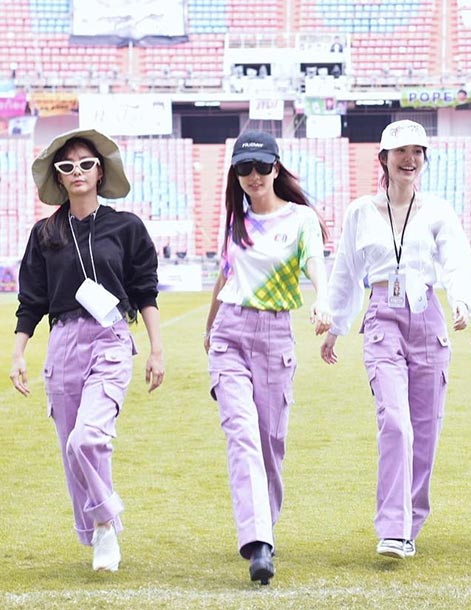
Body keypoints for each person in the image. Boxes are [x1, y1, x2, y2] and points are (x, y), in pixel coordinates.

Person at [320, 120, 471, 560]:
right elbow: (346, 272)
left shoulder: (437, 210)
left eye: (417, 152)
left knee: (425, 431)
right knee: (395, 422)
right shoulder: (360, 212)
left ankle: (411, 523)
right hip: (382, 320)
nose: (409, 159)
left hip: (427, 317)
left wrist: (462, 301)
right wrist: (336, 326)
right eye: (400, 152)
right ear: (384, 159)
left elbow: (457, 260)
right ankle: (392, 528)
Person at [10, 128, 164, 572]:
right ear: (58, 178)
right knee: (70, 447)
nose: (77, 171)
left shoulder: (126, 227)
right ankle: (100, 528)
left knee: (87, 438)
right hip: (63, 343)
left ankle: (104, 520)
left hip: (111, 337)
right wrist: (19, 354)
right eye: (67, 166)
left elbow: (145, 290)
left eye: (85, 164)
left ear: (100, 172)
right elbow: (32, 300)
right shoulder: (45, 233)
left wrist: (156, 349)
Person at [204, 130, 331, 585]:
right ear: (235, 174)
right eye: (244, 168)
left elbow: (314, 261)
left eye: (261, 166)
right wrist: (209, 328)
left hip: (275, 336)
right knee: (242, 436)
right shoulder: (235, 222)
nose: (253, 175)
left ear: (276, 168)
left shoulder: (300, 218)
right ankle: (258, 542)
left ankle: (264, 527)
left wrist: (321, 299)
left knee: (270, 443)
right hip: (230, 335)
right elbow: (225, 276)